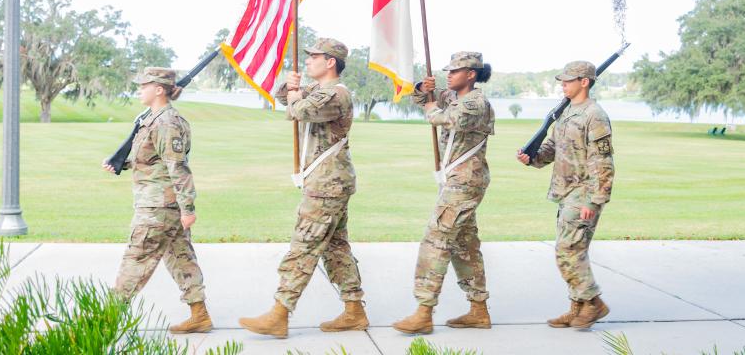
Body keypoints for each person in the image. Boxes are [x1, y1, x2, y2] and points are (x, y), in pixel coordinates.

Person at [238, 38, 367, 339]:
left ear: (331, 62)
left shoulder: (335, 95)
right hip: (325, 181)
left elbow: (301, 111)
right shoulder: (320, 90)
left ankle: (279, 313)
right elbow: (288, 100)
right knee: (335, 249)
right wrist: (289, 85)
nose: (307, 61)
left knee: (304, 246)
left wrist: (295, 94)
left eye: (314, 57)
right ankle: (354, 311)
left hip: (328, 184)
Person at [102, 67, 211, 334]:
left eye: (144, 85)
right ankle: (200, 315)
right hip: (160, 203)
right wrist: (121, 163)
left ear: (159, 90)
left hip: (158, 207)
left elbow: (178, 167)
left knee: (136, 258)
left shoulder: (165, 122)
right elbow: (151, 157)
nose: (140, 89)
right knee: (181, 257)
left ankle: (106, 320)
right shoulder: (152, 119)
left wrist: (188, 208)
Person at [393, 51, 495, 335]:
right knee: (464, 244)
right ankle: (478, 310)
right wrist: (422, 90)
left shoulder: (475, 102)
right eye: (448, 71)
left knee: (436, 239)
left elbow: (442, 118)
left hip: (466, 179)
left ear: (471, 74)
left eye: (454, 71)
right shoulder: (455, 96)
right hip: (456, 177)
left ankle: (424, 311)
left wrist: (430, 106)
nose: (448, 75)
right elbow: (424, 99)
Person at [516, 60, 615, 329]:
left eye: (568, 80)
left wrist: (594, 201)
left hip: (583, 194)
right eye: (562, 80)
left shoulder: (595, 115)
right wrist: (532, 158)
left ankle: (593, 302)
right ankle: (577, 309)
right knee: (575, 250)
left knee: (567, 250)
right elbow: (552, 148)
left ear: (585, 82)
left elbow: (603, 162)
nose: (563, 84)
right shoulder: (565, 112)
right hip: (565, 192)